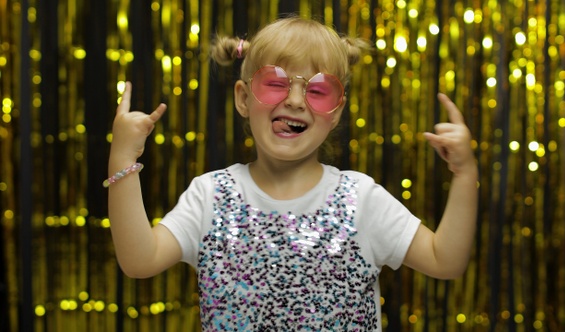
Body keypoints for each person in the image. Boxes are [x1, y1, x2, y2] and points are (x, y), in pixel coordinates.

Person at [106, 16, 478, 331]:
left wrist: (463, 175)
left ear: (336, 112)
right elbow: (140, 260)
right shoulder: (210, 195)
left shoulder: (361, 199)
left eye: (318, 90)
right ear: (243, 98)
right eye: (276, 83)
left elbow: (445, 261)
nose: (296, 100)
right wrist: (122, 156)